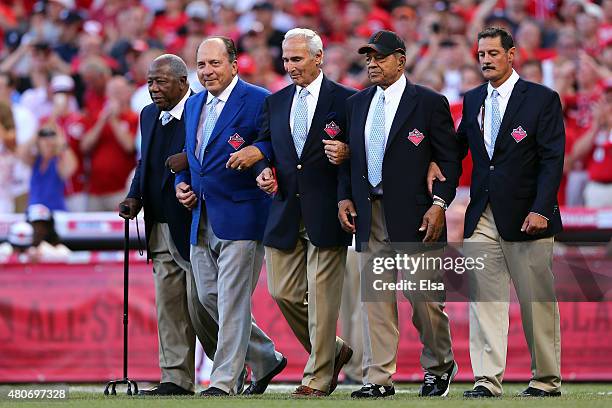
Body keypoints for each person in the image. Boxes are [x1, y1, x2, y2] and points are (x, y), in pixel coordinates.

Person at [228, 28, 355, 397]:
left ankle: (317, 377)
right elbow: (267, 143)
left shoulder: (347, 101)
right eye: (286, 59)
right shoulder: (276, 101)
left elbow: (359, 154)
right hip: (284, 209)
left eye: (297, 59)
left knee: (321, 298)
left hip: (329, 209)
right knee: (283, 292)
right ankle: (333, 351)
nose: (290, 66)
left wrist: (346, 155)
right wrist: (260, 166)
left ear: (319, 57)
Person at [337, 30, 461, 398]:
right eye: (368, 58)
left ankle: (440, 364)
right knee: (376, 301)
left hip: (416, 216)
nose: (372, 64)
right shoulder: (356, 105)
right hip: (369, 212)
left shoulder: (429, 102)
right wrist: (344, 197)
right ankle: (379, 378)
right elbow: (349, 160)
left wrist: (439, 204)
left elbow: (450, 160)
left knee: (424, 301)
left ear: (401, 60)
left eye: (380, 57)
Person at [453, 27, 563, 398]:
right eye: (481, 53)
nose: (485, 59)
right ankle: (486, 379)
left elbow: (552, 160)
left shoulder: (542, 99)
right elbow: (458, 152)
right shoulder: (471, 100)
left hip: (528, 216)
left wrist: (542, 209)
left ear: (512, 54)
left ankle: (546, 380)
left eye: (493, 53)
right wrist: (435, 170)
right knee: (484, 299)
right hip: (482, 212)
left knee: (536, 303)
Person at [175, 36, 285, 397]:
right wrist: (182, 183)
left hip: (243, 212)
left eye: (214, 63)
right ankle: (266, 358)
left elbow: (275, 142)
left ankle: (223, 381)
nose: (207, 71)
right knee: (208, 297)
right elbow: (189, 157)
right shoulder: (192, 105)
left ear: (234, 65)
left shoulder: (257, 100)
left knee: (232, 301)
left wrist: (258, 151)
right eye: (202, 64)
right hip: (200, 215)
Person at [119, 54, 219, 396]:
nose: (153, 89)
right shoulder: (148, 115)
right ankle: (175, 378)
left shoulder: (200, 109)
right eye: (149, 82)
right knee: (169, 306)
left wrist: (186, 169)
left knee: (203, 304)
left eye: (161, 81)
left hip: (194, 224)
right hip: (159, 224)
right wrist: (135, 195)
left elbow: (208, 160)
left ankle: (240, 364)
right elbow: (145, 161)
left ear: (182, 82)